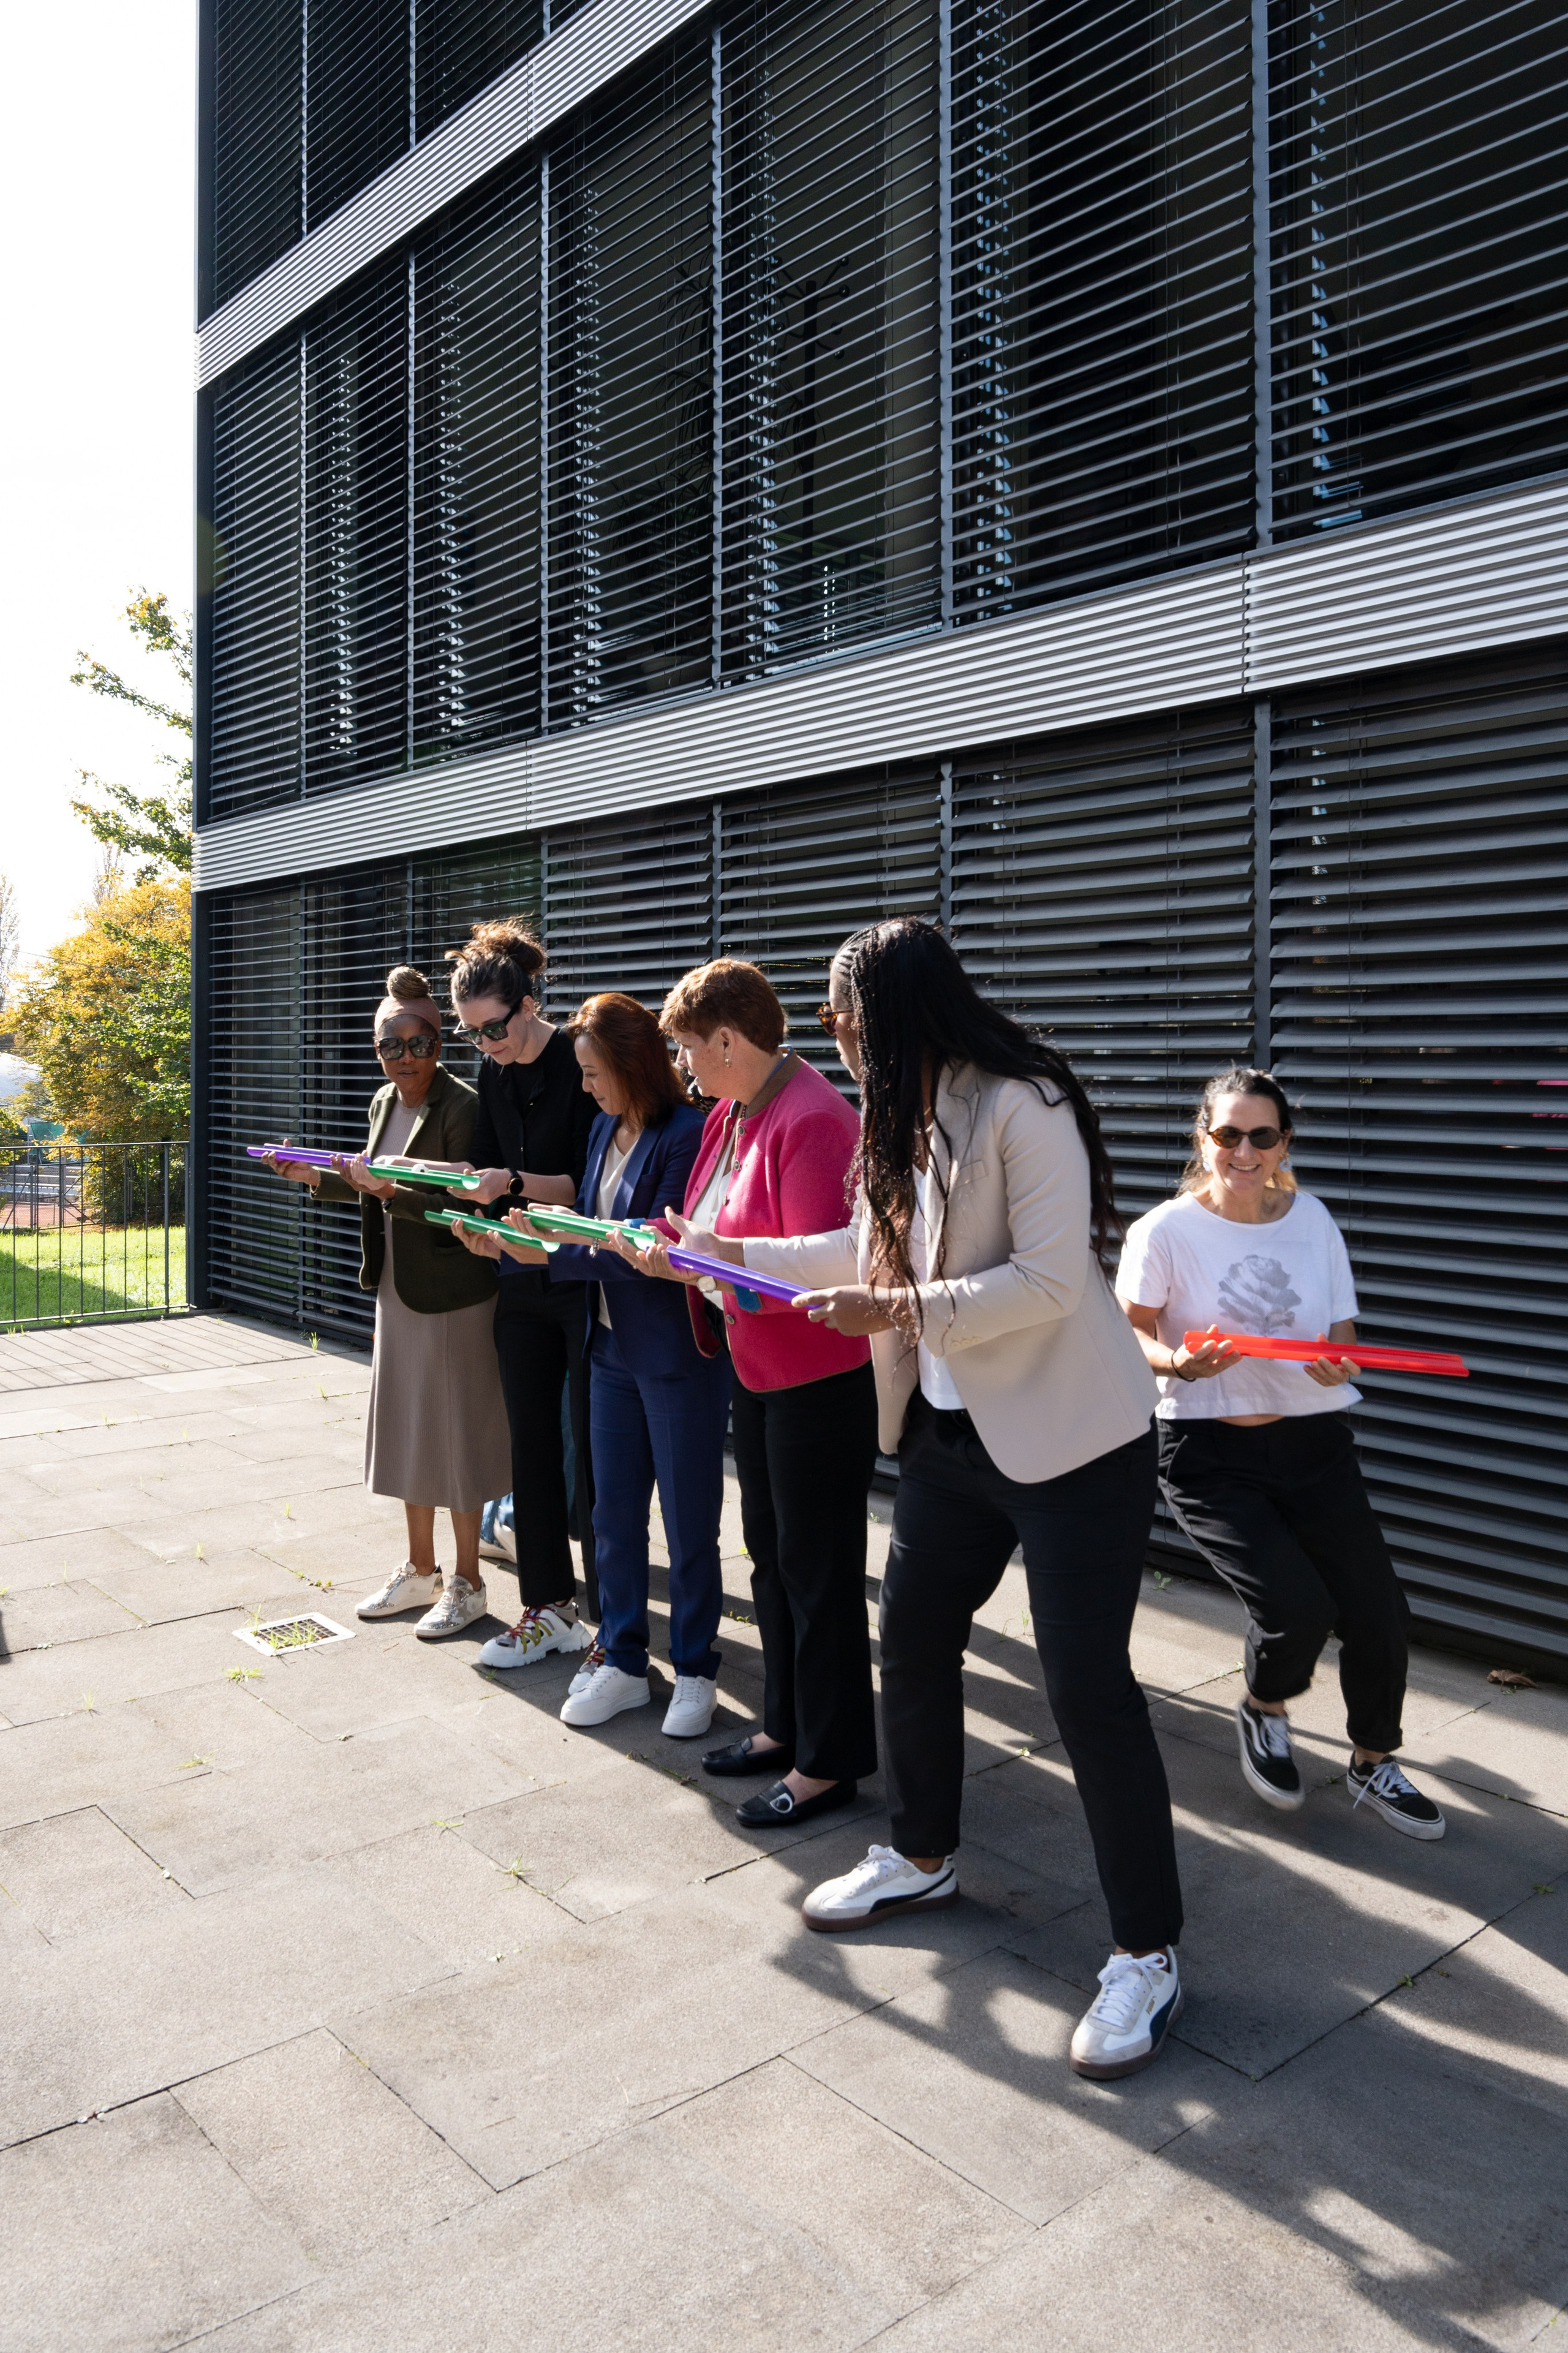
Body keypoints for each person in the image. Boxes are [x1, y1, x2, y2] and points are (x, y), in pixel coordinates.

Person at [712, 918, 1183, 2082]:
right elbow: (853, 1254)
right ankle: (920, 1853)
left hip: (1075, 1443)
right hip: (951, 1439)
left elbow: (1051, 1276)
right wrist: (711, 1251)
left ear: (897, 1009)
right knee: (910, 1643)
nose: (831, 1035)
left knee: (1088, 1691)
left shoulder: (1025, 1102)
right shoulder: (898, 1118)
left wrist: (909, 1312)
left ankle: (1149, 1952)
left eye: (842, 1015)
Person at [1115, 1067, 1445, 1841]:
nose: (1243, 1149)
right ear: (1203, 1139)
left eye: (1261, 1136)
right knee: (1295, 1606)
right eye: (1227, 1134)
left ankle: (1372, 1759)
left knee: (1379, 1614)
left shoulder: (1314, 1219)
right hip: (1207, 1449)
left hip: (1313, 1440)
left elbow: (1341, 1335)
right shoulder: (1164, 1231)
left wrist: (1339, 1362)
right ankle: (1264, 1708)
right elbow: (1125, 1333)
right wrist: (1177, 1365)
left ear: (1282, 1143)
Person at [612, 958, 879, 1830]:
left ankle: (828, 1761)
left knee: (819, 1572)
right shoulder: (734, 1109)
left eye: (690, 1050)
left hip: (814, 1378)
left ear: (729, 1040)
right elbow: (714, 1233)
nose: (684, 1068)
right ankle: (787, 1729)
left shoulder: (814, 1118)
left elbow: (819, 1261)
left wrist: (712, 1253)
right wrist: (669, 1242)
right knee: (773, 1559)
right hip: (761, 1370)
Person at [503, 992, 731, 1738]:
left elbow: (650, 1248)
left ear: (633, 1066)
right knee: (611, 1516)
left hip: (674, 1358)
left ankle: (696, 1666)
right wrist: (537, 1235)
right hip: (608, 1353)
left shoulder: (686, 1133)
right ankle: (624, 1658)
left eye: (595, 1073)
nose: (587, 1088)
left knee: (689, 1518)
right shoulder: (602, 1127)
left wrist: (549, 1245)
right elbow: (600, 1232)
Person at [263, 966, 511, 1637]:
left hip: (455, 1290)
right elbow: (371, 1181)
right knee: (408, 1429)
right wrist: (318, 1176)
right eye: (390, 1044)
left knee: (457, 1434)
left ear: (441, 1041)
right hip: (399, 1291)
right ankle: (419, 1568)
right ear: (377, 1048)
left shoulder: (464, 1105)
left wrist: (383, 1192)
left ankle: (469, 1582)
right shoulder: (382, 1102)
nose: (406, 1058)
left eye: (420, 1041)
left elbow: (459, 1202)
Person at [446, 920, 599, 1670]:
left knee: (596, 1452)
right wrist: (476, 1219)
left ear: (531, 1002)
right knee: (531, 1449)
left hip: (582, 1278)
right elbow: (484, 1166)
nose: (487, 1043)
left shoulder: (581, 1060)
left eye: (496, 1026)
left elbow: (586, 1183)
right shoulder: (495, 1075)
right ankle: (550, 1609)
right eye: (472, 1033)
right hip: (521, 1275)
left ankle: (617, 1623)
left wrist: (508, 1186)